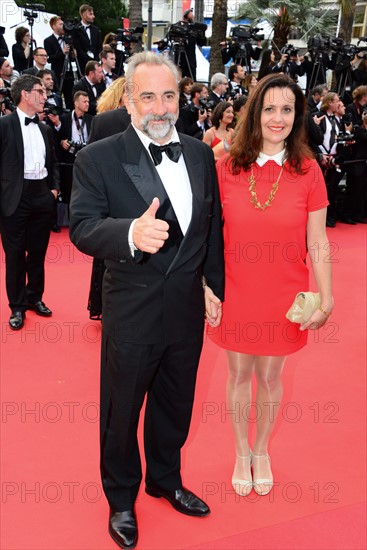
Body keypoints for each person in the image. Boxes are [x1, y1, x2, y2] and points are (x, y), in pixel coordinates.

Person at [69, 51, 224, 550]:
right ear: (130, 101)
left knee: (176, 403)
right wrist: (131, 232)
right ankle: (120, 498)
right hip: (132, 309)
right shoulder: (100, 157)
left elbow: (212, 228)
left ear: (181, 98)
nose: (160, 108)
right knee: (122, 410)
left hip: (185, 307)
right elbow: (83, 227)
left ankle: (165, 478)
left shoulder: (200, 153)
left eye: (169, 95)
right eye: (148, 96)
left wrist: (212, 285)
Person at [209, 73, 333, 498]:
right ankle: (241, 451)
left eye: (286, 109)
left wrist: (327, 297)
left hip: (284, 292)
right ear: (253, 113)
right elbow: (207, 235)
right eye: (269, 109)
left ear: (296, 116)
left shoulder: (308, 171)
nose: (277, 118)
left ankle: (262, 450)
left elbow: (317, 240)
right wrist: (207, 287)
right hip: (238, 288)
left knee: (271, 376)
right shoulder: (226, 168)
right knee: (239, 372)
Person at [0, 75, 60, 330]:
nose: (45, 96)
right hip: (14, 198)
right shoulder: (3, 125)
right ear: (25, 94)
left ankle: (35, 297)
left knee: (37, 253)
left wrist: (54, 190)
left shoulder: (45, 129)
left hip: (42, 196)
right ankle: (17, 306)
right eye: (40, 91)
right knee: (14, 256)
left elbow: (54, 163)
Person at [72, 4, 102, 74]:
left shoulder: (96, 30)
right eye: (90, 14)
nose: (93, 16)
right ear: (83, 15)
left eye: (93, 14)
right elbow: (78, 48)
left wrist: (95, 60)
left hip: (95, 64)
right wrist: (88, 60)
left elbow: (99, 47)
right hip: (82, 65)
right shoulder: (76, 29)